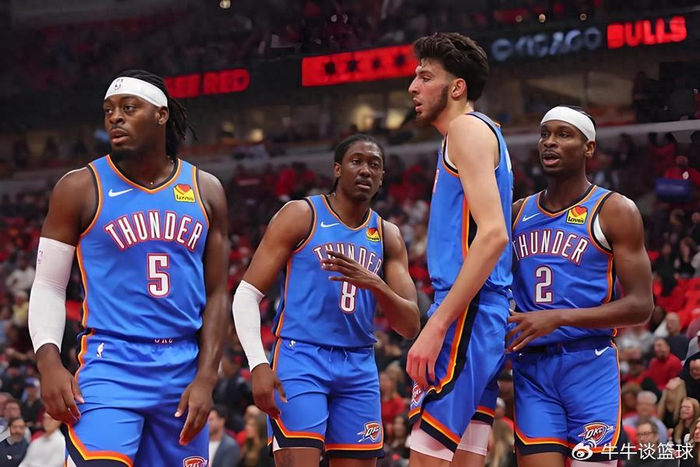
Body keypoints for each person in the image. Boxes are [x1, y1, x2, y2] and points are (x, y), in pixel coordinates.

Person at [28, 70, 230, 464]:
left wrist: (207, 377)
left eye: (129, 107)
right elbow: (49, 285)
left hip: (183, 368)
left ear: (161, 115)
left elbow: (218, 293)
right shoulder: (79, 187)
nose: (115, 117)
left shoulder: (206, 189)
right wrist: (48, 362)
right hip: (111, 363)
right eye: (109, 110)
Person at [232, 134, 420, 466]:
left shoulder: (387, 234)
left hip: (359, 363)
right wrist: (258, 363)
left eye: (374, 165)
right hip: (301, 356)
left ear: (381, 178)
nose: (365, 170)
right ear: (337, 169)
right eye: (356, 161)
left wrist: (376, 284)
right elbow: (247, 293)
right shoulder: (300, 214)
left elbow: (409, 325)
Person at [508, 105, 653, 467]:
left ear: (589, 147)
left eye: (563, 134)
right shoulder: (517, 212)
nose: (550, 142)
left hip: (590, 363)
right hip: (532, 369)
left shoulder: (615, 209)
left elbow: (641, 304)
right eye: (545, 134)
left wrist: (558, 317)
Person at [405, 32, 513, 467]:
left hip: (466, 312)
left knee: (425, 459)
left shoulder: (466, 129)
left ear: (457, 88)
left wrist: (436, 326)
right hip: (480, 313)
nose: (413, 87)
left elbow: (494, 234)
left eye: (425, 77)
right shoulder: (482, 132)